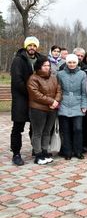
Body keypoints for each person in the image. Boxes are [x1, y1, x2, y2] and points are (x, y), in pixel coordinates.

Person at [10, 36, 42, 166]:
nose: (32, 48)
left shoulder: (40, 59)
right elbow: (17, 81)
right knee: (18, 127)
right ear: (25, 46)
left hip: (36, 100)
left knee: (35, 126)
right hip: (21, 99)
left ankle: (36, 149)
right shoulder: (18, 60)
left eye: (34, 46)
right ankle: (16, 154)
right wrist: (32, 93)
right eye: (30, 45)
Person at [27, 56, 62, 165]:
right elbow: (36, 95)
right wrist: (51, 102)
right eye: (44, 65)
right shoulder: (33, 78)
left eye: (48, 65)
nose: (47, 67)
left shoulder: (53, 77)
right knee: (38, 132)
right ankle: (38, 154)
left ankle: (45, 151)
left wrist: (56, 101)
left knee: (47, 132)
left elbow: (59, 90)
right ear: (39, 66)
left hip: (52, 109)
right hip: (38, 109)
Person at [57, 54, 87, 160]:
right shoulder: (60, 74)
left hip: (77, 103)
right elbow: (58, 90)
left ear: (77, 63)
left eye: (74, 62)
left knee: (78, 128)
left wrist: (84, 104)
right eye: (69, 62)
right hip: (64, 103)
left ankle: (78, 151)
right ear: (66, 62)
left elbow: (84, 91)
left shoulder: (82, 74)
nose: (71, 64)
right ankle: (68, 152)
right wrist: (58, 102)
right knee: (65, 130)